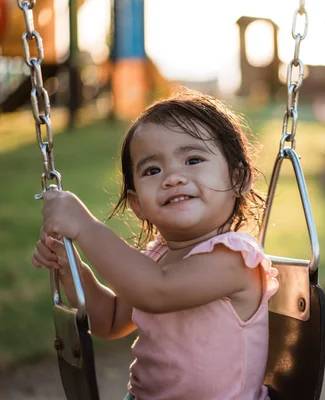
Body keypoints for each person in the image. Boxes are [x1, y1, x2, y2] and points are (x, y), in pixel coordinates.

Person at [31, 90, 279, 400]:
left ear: (239, 179)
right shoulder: (155, 258)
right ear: (137, 205)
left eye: (193, 159)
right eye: (152, 170)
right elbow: (108, 321)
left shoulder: (236, 258)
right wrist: (73, 270)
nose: (173, 177)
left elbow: (156, 291)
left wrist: (84, 225)